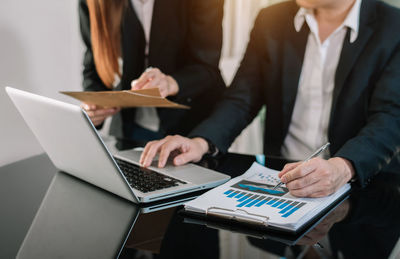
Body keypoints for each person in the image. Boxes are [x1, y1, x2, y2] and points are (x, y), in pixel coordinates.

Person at [140, 0, 400, 197]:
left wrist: (343, 168)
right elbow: (243, 97)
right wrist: (201, 141)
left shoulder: (393, 28)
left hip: (365, 188)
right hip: (282, 180)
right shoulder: (272, 19)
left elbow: (390, 119)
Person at [78, 0, 225, 144]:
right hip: (129, 126)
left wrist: (171, 83)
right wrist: (94, 105)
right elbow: (94, 61)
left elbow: (207, 66)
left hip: (191, 122)